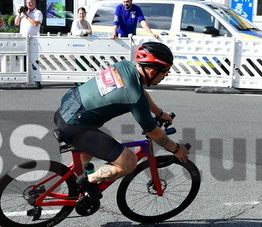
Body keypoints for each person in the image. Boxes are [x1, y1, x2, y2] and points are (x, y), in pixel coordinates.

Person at [54, 42, 188, 200]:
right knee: (128, 162)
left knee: (92, 144)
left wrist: (160, 113)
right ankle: (87, 182)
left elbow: (141, 92)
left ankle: (78, 178)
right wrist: (176, 149)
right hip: (75, 125)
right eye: (164, 73)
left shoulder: (124, 66)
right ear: (152, 71)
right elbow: (153, 132)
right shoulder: (134, 96)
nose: (165, 77)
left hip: (66, 110)